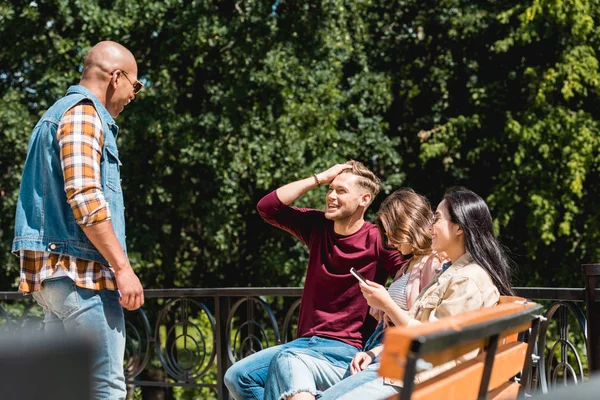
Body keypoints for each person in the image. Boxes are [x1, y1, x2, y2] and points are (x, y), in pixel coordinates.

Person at [272, 187, 513, 400]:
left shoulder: (466, 279)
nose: (430, 227)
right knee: (289, 364)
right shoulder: (453, 273)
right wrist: (378, 350)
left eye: (437, 219)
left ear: (459, 227)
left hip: (419, 377)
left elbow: (434, 343)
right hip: (401, 366)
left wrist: (387, 305)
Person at [12, 41, 145, 399]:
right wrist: (123, 267)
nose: (135, 93)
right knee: (106, 386)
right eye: (136, 84)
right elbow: (85, 198)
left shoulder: (54, 114)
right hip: (80, 276)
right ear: (116, 77)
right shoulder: (85, 115)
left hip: (54, 279)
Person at [224, 161, 408, 400]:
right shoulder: (318, 227)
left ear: (364, 199)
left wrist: (386, 306)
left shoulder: (377, 239)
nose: (331, 196)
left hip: (344, 349)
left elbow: (410, 274)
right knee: (238, 377)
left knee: (283, 365)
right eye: (329, 189)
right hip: (303, 344)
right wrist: (319, 177)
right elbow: (267, 207)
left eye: (341, 191)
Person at [263, 188, 444, 400]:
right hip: (374, 357)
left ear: (407, 226)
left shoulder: (432, 263)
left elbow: (424, 330)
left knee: (286, 369)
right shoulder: (408, 265)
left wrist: (386, 304)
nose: (389, 243)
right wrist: (373, 346)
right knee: (284, 362)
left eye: (391, 233)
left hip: (394, 367)